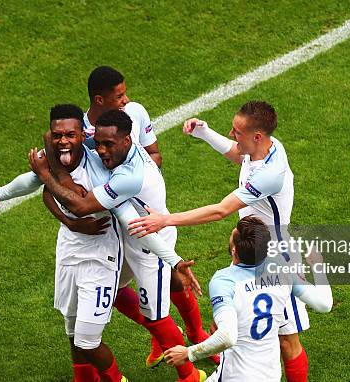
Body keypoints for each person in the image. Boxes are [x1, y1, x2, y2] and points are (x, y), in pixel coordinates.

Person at [0, 105, 200, 382]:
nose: (101, 150)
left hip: (114, 252)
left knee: (98, 335)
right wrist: (0, 194)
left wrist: (174, 261)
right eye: (58, 136)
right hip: (69, 251)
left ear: (81, 135)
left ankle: (185, 373)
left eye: (70, 135)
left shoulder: (113, 176)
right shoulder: (72, 151)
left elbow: (122, 220)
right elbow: (41, 185)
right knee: (73, 329)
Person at [128, 101, 312, 381]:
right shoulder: (265, 148)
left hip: (275, 258)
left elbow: (220, 210)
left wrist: (165, 220)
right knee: (238, 326)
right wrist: (205, 132)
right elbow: (240, 155)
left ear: (257, 136)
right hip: (253, 247)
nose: (232, 134)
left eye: (237, 131)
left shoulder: (270, 175)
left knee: (287, 340)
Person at [46, 66, 214, 368]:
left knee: (163, 297)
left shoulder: (133, 116)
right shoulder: (77, 133)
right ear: (100, 100)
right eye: (119, 95)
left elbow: (153, 155)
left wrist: (139, 184)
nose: (126, 100)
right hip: (118, 235)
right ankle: (169, 335)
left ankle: (194, 341)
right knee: (118, 294)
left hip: (148, 228)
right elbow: (57, 173)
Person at [163, 216, 332, 382]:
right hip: (270, 375)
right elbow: (324, 304)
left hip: (237, 376)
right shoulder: (283, 271)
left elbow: (228, 336)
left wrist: (188, 353)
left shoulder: (224, 281)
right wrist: (318, 267)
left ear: (234, 250)